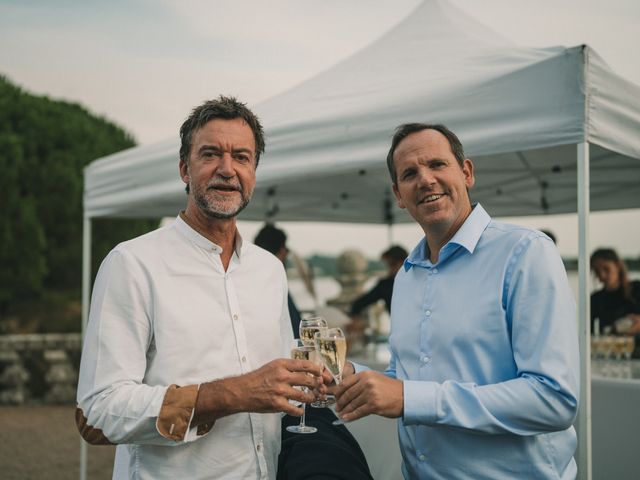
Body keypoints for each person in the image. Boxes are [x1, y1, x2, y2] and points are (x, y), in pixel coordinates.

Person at [76, 96, 322, 479]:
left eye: (242, 157)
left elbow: (280, 383)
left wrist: (316, 381)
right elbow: (97, 412)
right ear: (184, 169)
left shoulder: (269, 270)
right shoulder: (132, 264)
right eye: (210, 154)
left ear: (254, 172)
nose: (227, 169)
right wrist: (230, 394)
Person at [334, 123, 579, 479]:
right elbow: (407, 376)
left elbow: (554, 400)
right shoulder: (406, 275)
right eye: (410, 173)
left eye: (437, 164)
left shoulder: (525, 253)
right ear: (399, 195)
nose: (426, 180)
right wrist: (355, 375)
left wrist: (410, 398)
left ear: (466, 173)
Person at [254, 223, 302, 337]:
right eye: (285, 248)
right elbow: (295, 327)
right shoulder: (274, 281)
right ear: (281, 250)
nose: (286, 253)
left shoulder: (252, 278)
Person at [590, 248, 640, 335]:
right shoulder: (595, 299)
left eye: (606, 269)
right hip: (608, 347)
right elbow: (589, 331)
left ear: (617, 266)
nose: (602, 275)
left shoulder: (637, 288)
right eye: (597, 271)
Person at [349, 245, 408, 317]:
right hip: (399, 327)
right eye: (388, 265)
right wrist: (355, 319)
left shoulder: (419, 282)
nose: (390, 269)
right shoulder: (385, 285)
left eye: (393, 264)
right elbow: (359, 304)